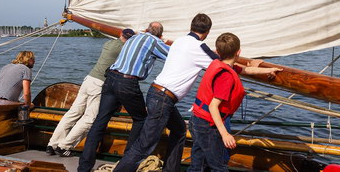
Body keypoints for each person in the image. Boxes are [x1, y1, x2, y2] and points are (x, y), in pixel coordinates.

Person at [114, 13, 220, 172]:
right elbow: (221, 65)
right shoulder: (199, 47)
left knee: (179, 130)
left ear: (191, 27)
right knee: (145, 145)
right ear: (207, 32)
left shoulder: (179, 41)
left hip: (157, 94)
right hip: (163, 99)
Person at [77, 22, 170, 172]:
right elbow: (172, 55)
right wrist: (162, 42)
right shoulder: (154, 41)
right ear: (159, 35)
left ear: (146, 30)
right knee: (141, 119)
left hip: (111, 78)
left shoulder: (134, 37)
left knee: (100, 121)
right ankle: (127, 164)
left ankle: (83, 167)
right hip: (127, 82)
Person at [187, 33, 282, 171]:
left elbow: (246, 69)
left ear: (218, 52)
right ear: (239, 52)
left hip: (197, 119)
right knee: (218, 166)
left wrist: (268, 69)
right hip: (208, 124)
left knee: (198, 163)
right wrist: (225, 134)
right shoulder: (226, 76)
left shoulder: (218, 64)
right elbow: (213, 106)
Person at [45, 28, 135, 157]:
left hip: (89, 79)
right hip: (99, 84)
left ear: (121, 34)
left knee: (73, 113)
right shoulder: (124, 50)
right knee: (89, 118)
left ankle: (52, 144)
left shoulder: (109, 44)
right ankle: (64, 146)